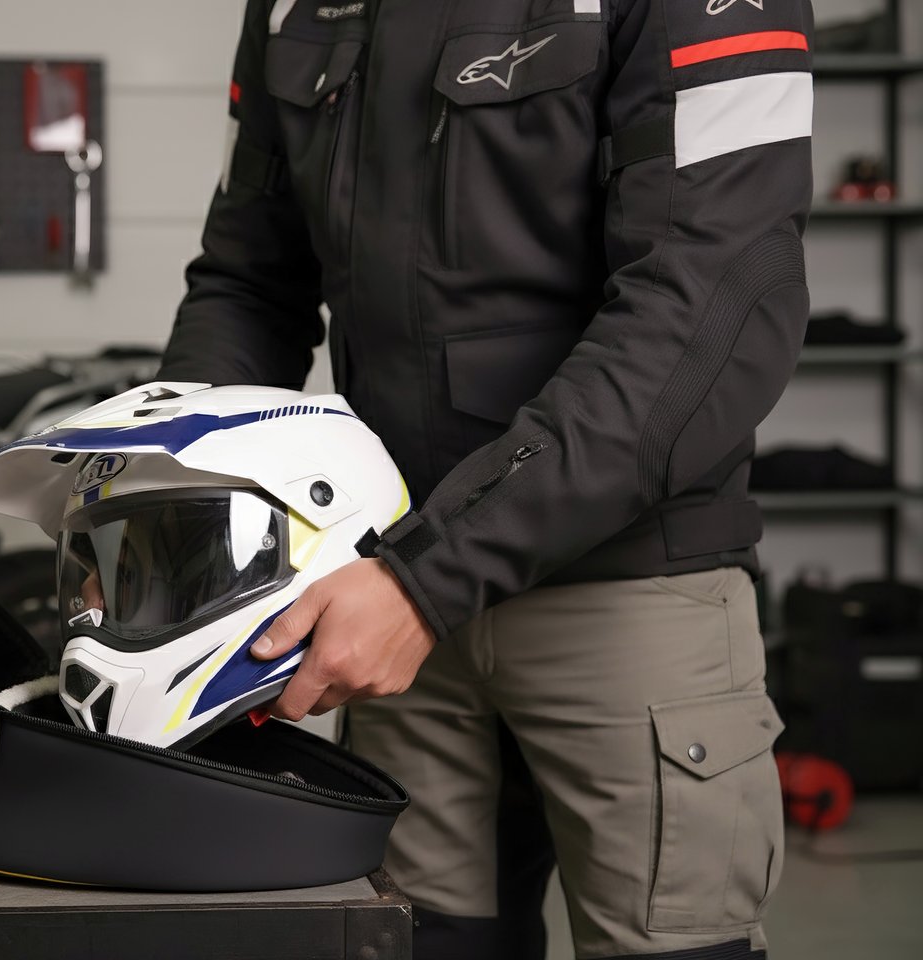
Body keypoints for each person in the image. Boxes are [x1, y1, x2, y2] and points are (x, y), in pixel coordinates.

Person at [156, 1, 814, 958]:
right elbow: (250, 282)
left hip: (621, 592)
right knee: (423, 944)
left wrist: (427, 577)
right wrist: (175, 522)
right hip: (386, 602)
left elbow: (712, 301)